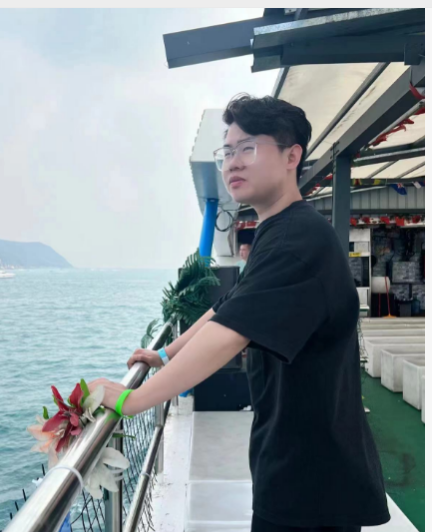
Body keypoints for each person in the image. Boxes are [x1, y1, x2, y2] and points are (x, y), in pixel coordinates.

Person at [89, 95, 390, 532]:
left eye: (248, 148)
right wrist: (165, 355)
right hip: (298, 462)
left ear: (291, 156)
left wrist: (131, 400)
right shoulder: (279, 230)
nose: (233, 162)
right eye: (227, 151)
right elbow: (226, 306)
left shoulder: (297, 239)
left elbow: (229, 331)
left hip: (312, 483)